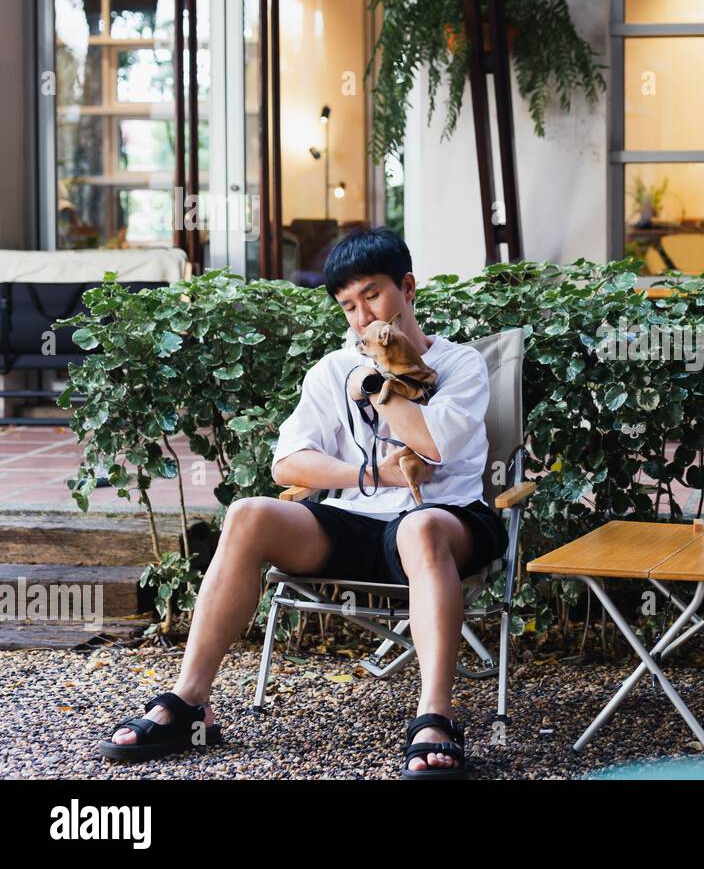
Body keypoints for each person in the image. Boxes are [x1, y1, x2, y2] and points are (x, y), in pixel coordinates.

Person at [98, 227, 506, 779]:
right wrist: (370, 474)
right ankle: (191, 700)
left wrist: (379, 383)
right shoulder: (332, 370)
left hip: (447, 521)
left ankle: (434, 718)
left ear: (407, 288)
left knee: (420, 530)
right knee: (247, 513)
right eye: (348, 305)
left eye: (373, 295)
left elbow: (433, 446)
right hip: (357, 521)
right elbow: (287, 464)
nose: (362, 317)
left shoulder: (461, 365)